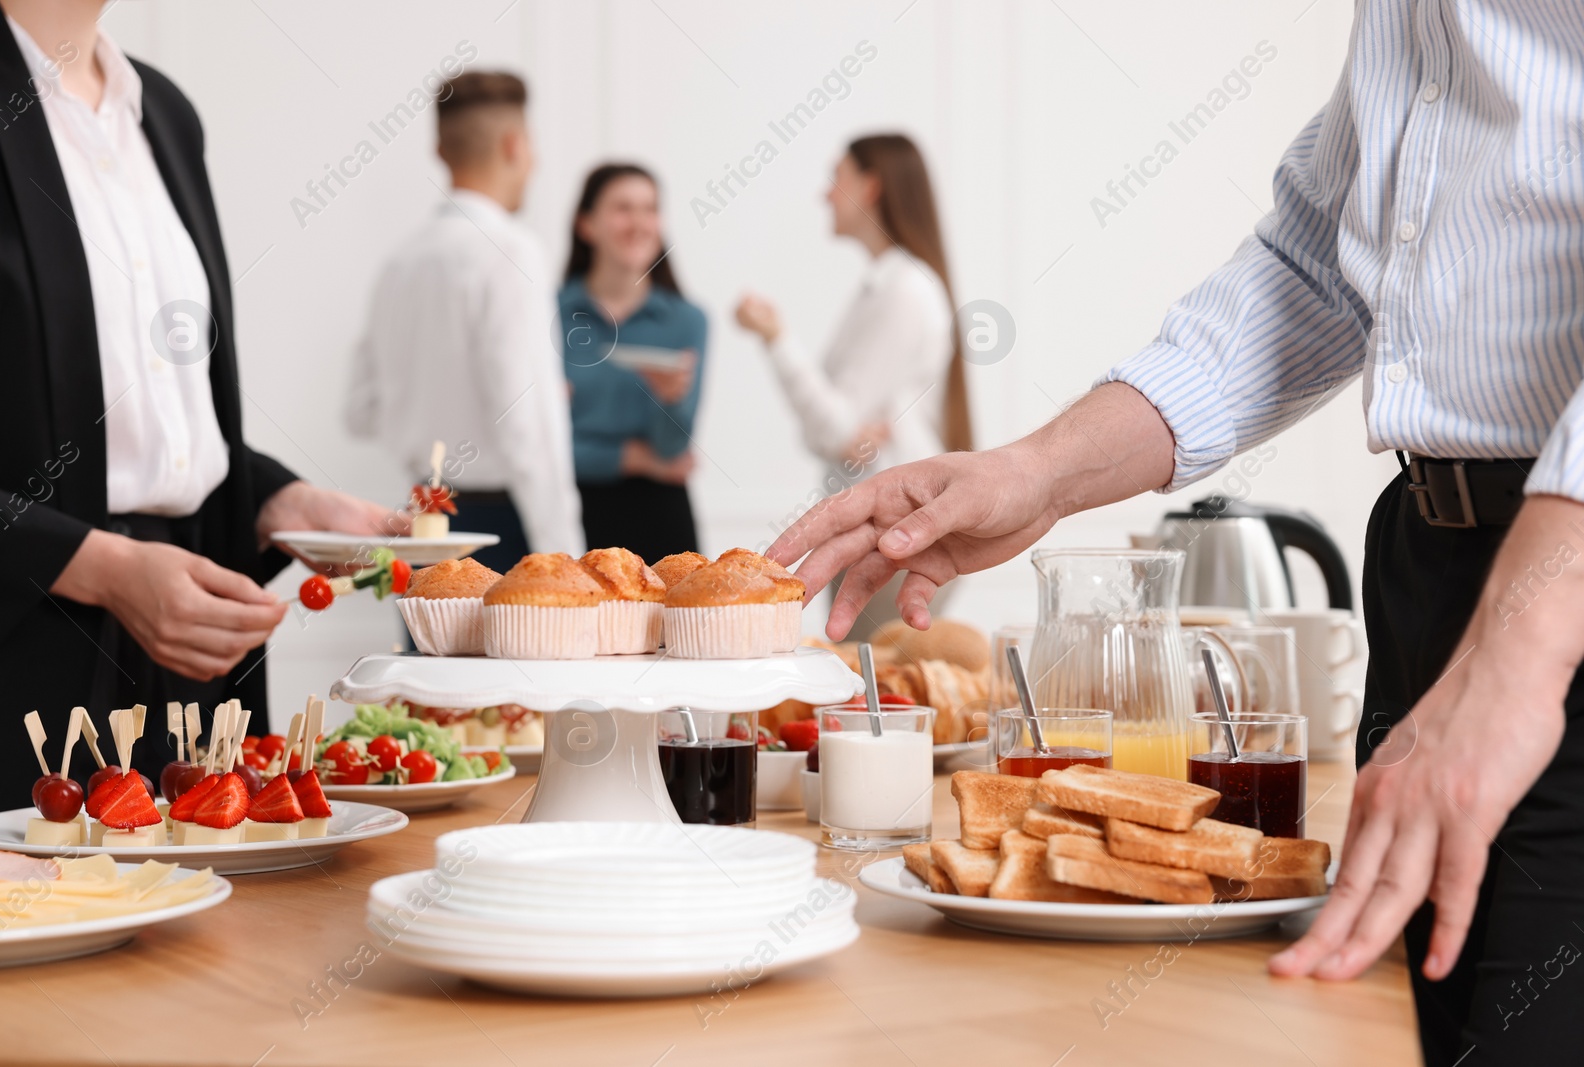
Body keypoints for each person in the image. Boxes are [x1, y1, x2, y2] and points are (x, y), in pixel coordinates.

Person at [768, 10, 1584, 1065]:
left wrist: (1519, 650)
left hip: (1552, 580)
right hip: (1429, 556)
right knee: (1411, 1023)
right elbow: (1315, 271)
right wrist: (1038, 472)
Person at [0, 0, 396, 814]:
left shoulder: (163, 111)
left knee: (224, 932)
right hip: (19, 657)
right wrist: (102, 565)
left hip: (186, 650)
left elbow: (158, 415)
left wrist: (276, 496)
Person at [348, 71, 583, 573]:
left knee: (420, 653)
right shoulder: (513, 251)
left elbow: (359, 411)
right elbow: (527, 429)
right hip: (500, 529)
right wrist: (566, 559)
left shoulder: (399, 262)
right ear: (515, 146)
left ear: (441, 149)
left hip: (418, 524)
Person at [735, 133, 968, 639]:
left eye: (836, 177)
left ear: (870, 187)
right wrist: (839, 433)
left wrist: (776, 339)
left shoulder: (903, 289)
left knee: (873, 701)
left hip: (889, 534)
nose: (825, 194)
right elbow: (839, 432)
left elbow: (835, 429)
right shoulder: (886, 287)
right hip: (878, 528)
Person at [558, 163, 706, 562]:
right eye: (623, 208)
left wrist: (670, 401)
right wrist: (635, 458)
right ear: (587, 225)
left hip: (659, 517)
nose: (639, 222)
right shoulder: (547, 317)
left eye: (650, 209)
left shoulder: (687, 321)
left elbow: (673, 449)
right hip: (566, 512)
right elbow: (539, 447)